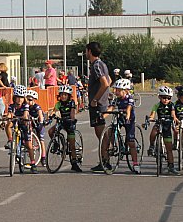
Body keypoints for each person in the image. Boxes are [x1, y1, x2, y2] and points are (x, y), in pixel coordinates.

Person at [85, 41, 111, 173]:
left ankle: (105, 161)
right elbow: (110, 80)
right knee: (100, 133)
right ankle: (105, 159)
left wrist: (96, 99)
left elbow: (105, 83)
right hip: (101, 102)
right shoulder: (102, 64)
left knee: (100, 133)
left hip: (98, 104)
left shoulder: (96, 65)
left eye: (86, 51)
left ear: (89, 51)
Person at [107, 78, 142, 174]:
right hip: (120, 118)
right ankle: (112, 145)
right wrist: (103, 115)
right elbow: (111, 107)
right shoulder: (116, 99)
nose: (116, 92)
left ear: (125, 90)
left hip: (129, 120)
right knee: (111, 130)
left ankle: (135, 164)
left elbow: (129, 108)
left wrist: (127, 115)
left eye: (118, 90)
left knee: (131, 142)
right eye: (115, 90)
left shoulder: (129, 98)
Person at [4, 85, 38, 174]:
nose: (19, 100)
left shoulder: (25, 105)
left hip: (24, 123)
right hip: (16, 121)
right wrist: (8, 117)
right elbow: (10, 113)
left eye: (21, 98)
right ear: (14, 98)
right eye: (17, 98)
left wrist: (25, 118)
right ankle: (10, 140)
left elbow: (26, 113)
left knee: (29, 145)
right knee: (8, 125)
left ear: (24, 99)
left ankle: (33, 164)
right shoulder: (12, 106)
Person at [147, 85, 179, 176]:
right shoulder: (157, 105)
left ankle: (171, 166)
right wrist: (150, 118)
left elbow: (173, 114)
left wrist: (175, 119)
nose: (166, 100)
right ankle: (152, 146)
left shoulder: (171, 105)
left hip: (167, 125)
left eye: (168, 98)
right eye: (164, 97)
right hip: (159, 123)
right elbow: (153, 114)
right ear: (159, 97)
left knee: (169, 148)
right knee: (153, 133)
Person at [49, 85, 82, 172]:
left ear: (68, 96)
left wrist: (72, 119)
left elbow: (72, 113)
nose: (63, 96)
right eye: (62, 94)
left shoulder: (71, 103)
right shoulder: (58, 104)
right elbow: (55, 110)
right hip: (62, 121)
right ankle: (56, 143)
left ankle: (74, 163)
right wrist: (51, 115)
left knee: (72, 145)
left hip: (69, 122)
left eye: (65, 95)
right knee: (51, 131)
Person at [26, 89, 46, 166]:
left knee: (41, 139)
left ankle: (43, 157)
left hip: (38, 123)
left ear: (34, 100)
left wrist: (41, 123)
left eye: (30, 100)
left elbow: (40, 115)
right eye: (26, 99)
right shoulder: (26, 107)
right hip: (31, 123)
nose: (28, 101)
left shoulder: (36, 107)